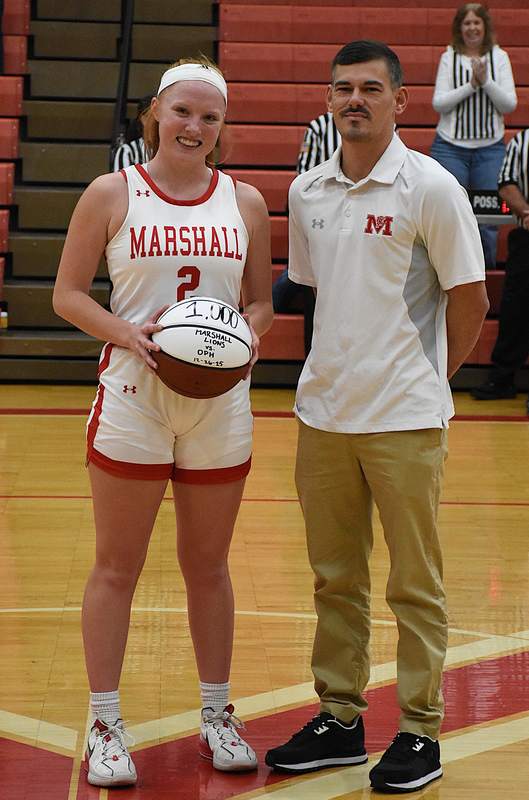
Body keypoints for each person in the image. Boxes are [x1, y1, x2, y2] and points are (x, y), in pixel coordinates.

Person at [264, 40, 489, 793]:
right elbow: (313, 292)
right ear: (328, 101)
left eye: (369, 88)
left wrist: (428, 381)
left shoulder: (430, 187)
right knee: (335, 579)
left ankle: (420, 729)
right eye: (342, 89)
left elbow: (469, 299)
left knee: (414, 584)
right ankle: (340, 719)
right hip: (324, 415)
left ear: (400, 100)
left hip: (404, 419)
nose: (353, 100)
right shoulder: (307, 191)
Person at [52, 56, 273, 787]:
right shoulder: (111, 192)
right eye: (182, 111)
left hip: (219, 407)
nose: (194, 126)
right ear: (155, 112)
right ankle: (105, 724)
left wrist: (245, 336)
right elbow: (67, 295)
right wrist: (127, 333)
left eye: (209, 117)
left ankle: (216, 713)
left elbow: (260, 302)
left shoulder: (244, 202)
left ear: (222, 126)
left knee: (209, 566)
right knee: (117, 567)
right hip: (134, 396)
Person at [430, 3, 517, 269]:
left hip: (490, 149)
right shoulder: (449, 57)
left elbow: (509, 105)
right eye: (466, 23)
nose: (472, 28)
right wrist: (471, 85)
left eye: (476, 22)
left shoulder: (499, 57)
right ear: (460, 28)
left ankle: (485, 274)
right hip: (450, 148)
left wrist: (486, 82)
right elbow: (439, 103)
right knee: (449, 213)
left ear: (485, 26)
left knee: (489, 219)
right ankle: (449, 272)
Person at [471, 128, 529, 412]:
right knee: (515, 310)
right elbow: (506, 184)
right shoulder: (521, 141)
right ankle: (502, 377)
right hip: (527, 235)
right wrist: (526, 212)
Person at [110, 94, 152, 172]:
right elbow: (122, 179)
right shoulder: (127, 151)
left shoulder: (170, 150)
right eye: (153, 116)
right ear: (143, 119)